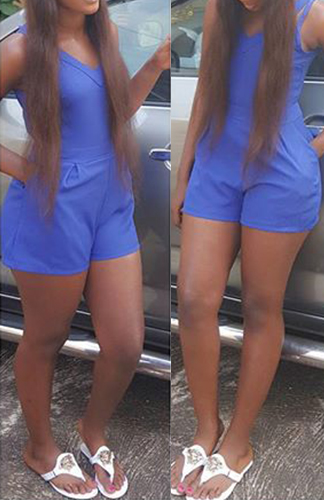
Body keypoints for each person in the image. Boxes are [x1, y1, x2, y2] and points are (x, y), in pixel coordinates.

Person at [0, 0, 170, 498]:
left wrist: (155, 66)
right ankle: (40, 448)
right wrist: (25, 170)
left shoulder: (104, 34)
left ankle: (91, 430)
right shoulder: (22, 49)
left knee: (125, 343)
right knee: (46, 337)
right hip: (53, 208)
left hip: (110, 199)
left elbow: (116, 114)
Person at [170, 0, 324, 499]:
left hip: (280, 175)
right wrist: (184, 171)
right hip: (216, 166)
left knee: (261, 307)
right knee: (194, 300)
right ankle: (207, 427)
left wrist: (312, 148)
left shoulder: (314, 15)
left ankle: (238, 442)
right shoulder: (220, 10)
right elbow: (206, 89)